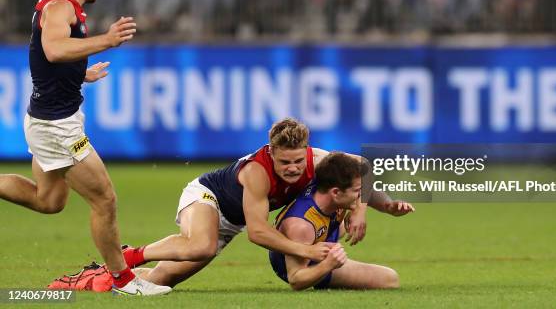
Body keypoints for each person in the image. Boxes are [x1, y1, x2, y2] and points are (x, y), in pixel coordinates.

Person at [0, 0, 170, 296]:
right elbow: (54, 49)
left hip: (47, 120)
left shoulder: (59, 4)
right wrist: (107, 40)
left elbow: (51, 58)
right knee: (104, 199)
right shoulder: (61, 6)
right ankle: (124, 281)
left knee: (49, 201)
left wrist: (81, 73)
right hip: (58, 127)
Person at [121, 117, 375, 287]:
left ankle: (111, 277)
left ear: (306, 150)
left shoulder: (317, 158)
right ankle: (129, 257)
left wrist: (359, 210)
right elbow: (257, 232)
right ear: (271, 151)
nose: (293, 168)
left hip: (231, 221)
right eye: (285, 162)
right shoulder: (257, 172)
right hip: (207, 197)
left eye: (298, 160)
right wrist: (306, 250)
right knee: (201, 246)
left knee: (160, 281)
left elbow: (363, 165)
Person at [270, 152, 413, 290]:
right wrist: (328, 264)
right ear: (336, 193)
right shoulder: (301, 225)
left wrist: (387, 206)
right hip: (305, 262)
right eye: (357, 191)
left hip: (323, 231)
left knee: (343, 225)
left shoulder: (327, 184)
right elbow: (295, 279)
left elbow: (364, 170)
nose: (360, 197)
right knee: (389, 278)